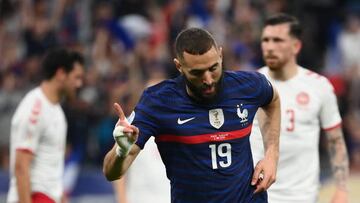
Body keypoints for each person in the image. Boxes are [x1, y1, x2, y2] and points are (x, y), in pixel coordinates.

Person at [103, 27, 281, 203]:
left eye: (213, 68)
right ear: (179, 66)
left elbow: (272, 100)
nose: (208, 79)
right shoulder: (158, 101)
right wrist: (121, 150)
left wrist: (271, 155)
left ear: (220, 55)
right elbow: (111, 173)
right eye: (197, 73)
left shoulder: (248, 85)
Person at [250, 13, 349, 203]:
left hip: (301, 196)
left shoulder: (319, 86)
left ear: (296, 46)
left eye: (277, 40)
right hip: (256, 193)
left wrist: (342, 190)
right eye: (266, 40)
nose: (269, 47)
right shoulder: (249, 86)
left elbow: (335, 140)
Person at [7, 48, 85, 203]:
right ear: (61, 74)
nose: (79, 84)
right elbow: (21, 167)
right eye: (76, 77)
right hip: (34, 197)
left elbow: (49, 171)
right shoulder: (35, 108)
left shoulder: (56, 112)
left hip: (48, 197)